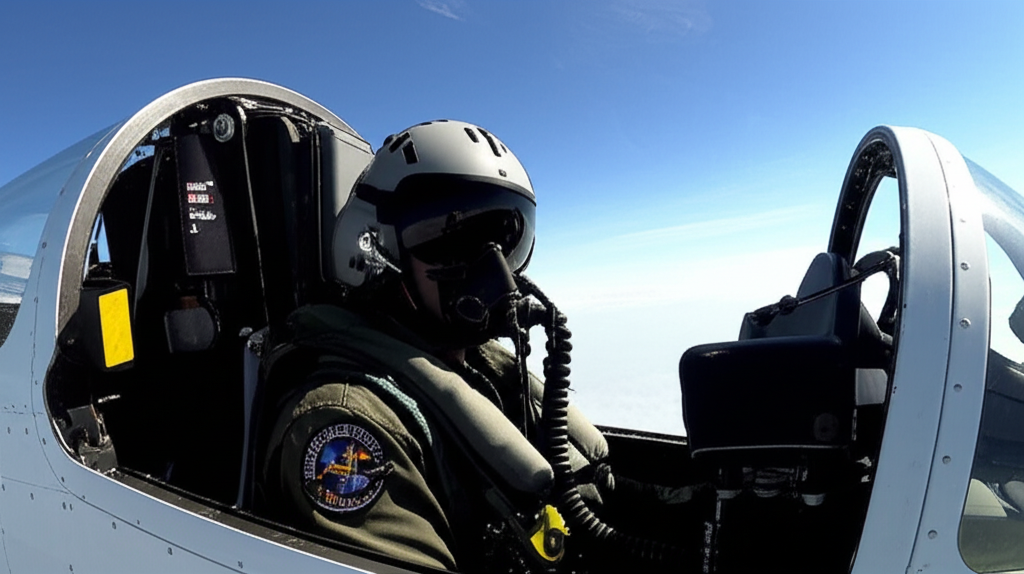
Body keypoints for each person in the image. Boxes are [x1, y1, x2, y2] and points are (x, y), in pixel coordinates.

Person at [259, 120, 692, 572]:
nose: (495, 272)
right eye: (453, 241)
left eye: (503, 243)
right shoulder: (347, 424)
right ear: (376, 248)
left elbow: (581, 490)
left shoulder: (481, 369)